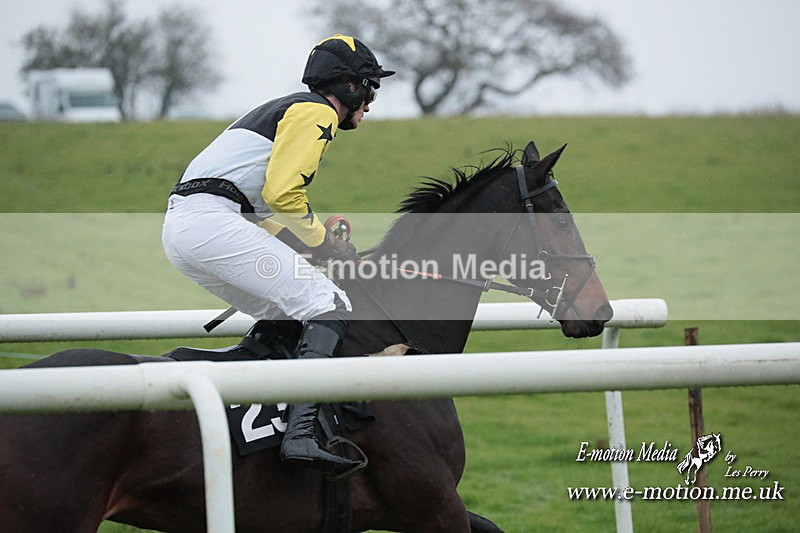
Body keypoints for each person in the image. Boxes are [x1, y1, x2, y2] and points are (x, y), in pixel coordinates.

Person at [161, 34, 394, 471]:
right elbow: (284, 194)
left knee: (286, 315)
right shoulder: (318, 112)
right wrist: (324, 246)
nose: (370, 101)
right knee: (329, 305)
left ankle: (263, 420)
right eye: (370, 87)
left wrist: (311, 249)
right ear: (349, 86)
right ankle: (300, 435)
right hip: (212, 223)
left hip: (192, 227)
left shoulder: (285, 108)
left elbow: (259, 208)